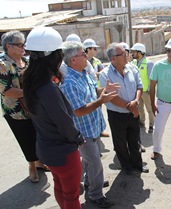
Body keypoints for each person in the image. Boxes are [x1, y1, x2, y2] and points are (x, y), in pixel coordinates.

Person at [23, 26, 85, 209]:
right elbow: (64, 123)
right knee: (72, 197)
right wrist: (77, 138)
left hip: (46, 149)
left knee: (60, 187)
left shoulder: (30, 82)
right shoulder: (47, 89)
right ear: (52, 56)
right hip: (63, 153)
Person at [60, 41, 117, 208]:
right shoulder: (69, 83)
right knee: (95, 164)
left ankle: (90, 183)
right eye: (82, 54)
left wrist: (104, 89)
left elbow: (93, 92)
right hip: (84, 132)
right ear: (72, 60)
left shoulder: (83, 73)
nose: (86, 56)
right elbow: (78, 111)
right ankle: (95, 195)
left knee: (90, 162)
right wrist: (101, 101)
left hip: (93, 128)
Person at [0, 30, 47, 183]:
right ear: (9, 46)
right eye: (19, 45)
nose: (23, 47)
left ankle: (40, 161)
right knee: (25, 138)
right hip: (16, 111)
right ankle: (32, 166)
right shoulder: (2, 64)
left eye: (23, 44)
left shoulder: (26, 61)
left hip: (33, 107)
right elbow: (6, 90)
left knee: (38, 135)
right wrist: (30, 93)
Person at [99, 42, 149, 173]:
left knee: (135, 140)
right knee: (120, 143)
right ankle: (126, 167)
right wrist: (129, 106)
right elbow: (111, 97)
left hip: (133, 112)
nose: (127, 55)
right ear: (113, 58)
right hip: (117, 115)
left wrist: (136, 102)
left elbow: (139, 86)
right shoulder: (105, 74)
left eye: (126, 53)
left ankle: (138, 164)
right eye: (123, 54)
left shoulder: (132, 68)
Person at [83, 38, 110, 138]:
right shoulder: (82, 61)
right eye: (94, 48)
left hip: (96, 90)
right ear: (88, 49)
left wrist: (100, 74)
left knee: (98, 110)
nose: (96, 51)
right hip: (86, 91)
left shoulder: (97, 61)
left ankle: (99, 130)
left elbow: (103, 72)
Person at [131, 43, 155, 133]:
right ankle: (142, 122)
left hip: (146, 91)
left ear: (140, 52)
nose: (132, 53)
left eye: (134, 51)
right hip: (137, 91)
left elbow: (151, 78)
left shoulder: (148, 63)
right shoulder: (133, 63)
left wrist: (150, 90)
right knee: (140, 108)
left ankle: (152, 125)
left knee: (150, 109)